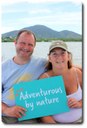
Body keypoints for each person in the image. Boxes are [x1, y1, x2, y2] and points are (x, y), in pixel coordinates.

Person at [2, 30, 47, 124]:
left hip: (28, 115)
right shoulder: (2, 67)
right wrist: (6, 110)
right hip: (5, 116)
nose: (26, 47)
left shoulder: (42, 64)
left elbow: (64, 65)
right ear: (15, 43)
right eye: (22, 43)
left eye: (30, 44)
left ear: (34, 46)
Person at [39, 40, 82, 124]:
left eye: (63, 53)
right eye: (54, 54)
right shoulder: (45, 79)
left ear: (68, 56)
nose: (59, 57)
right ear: (49, 58)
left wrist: (80, 103)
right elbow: (43, 113)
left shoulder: (77, 73)